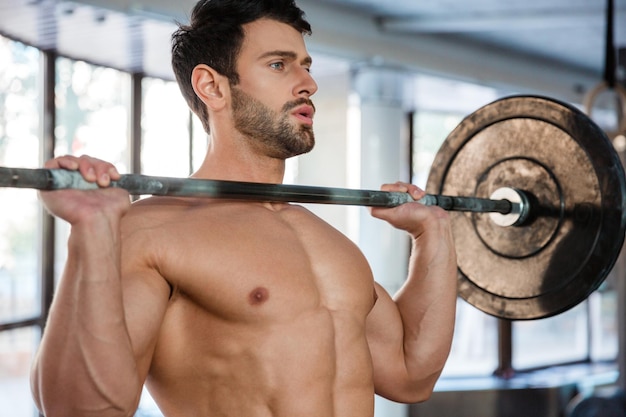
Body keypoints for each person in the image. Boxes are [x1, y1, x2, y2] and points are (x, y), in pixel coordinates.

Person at [30, 0, 458, 416]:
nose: (308, 83)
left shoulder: (329, 244)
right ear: (212, 86)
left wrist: (433, 233)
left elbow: (410, 375)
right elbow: (78, 410)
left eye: (306, 65)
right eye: (279, 64)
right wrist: (91, 228)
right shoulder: (151, 233)